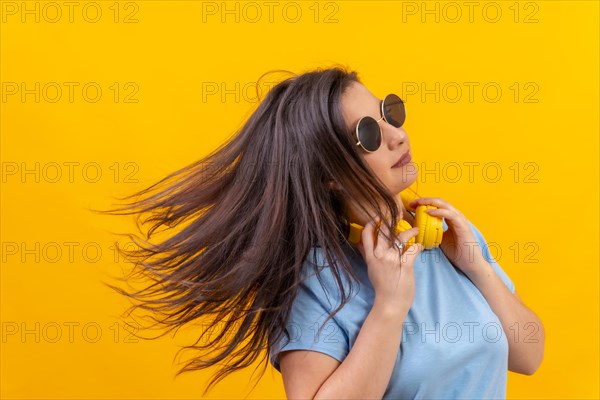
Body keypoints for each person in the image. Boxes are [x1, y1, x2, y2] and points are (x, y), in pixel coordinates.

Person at [103, 66, 544, 399]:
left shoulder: (450, 241)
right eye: (368, 135)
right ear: (329, 174)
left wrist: (478, 267)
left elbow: (530, 356)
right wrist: (390, 305)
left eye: (388, 113)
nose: (397, 135)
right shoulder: (317, 283)